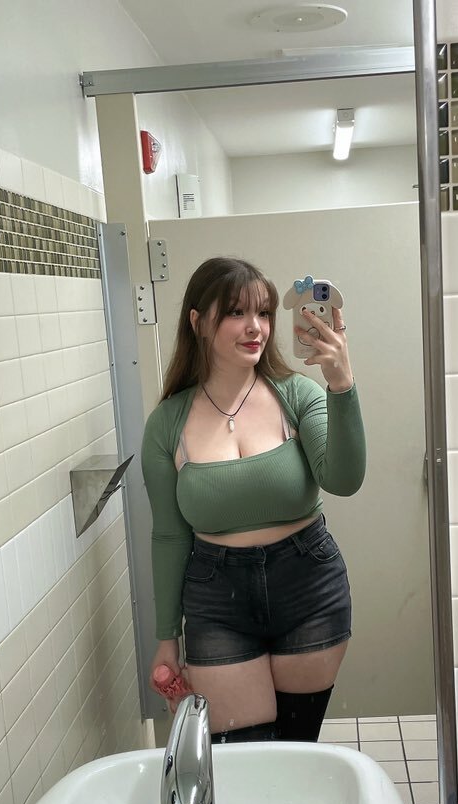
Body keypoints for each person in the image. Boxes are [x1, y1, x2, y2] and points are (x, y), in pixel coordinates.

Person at [140, 256, 366, 744]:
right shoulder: (167, 424)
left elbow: (345, 480)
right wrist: (166, 637)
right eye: (236, 313)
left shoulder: (298, 395)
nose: (255, 327)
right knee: (239, 758)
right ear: (199, 322)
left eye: (263, 313)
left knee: (297, 749)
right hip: (215, 600)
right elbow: (169, 535)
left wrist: (341, 385)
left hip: (308, 588)